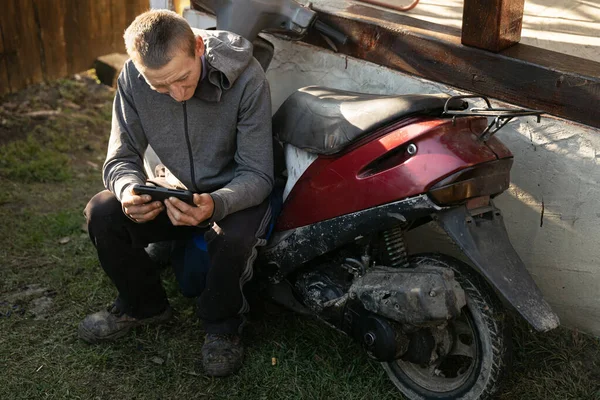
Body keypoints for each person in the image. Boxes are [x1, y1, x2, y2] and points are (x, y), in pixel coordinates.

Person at [79, 9, 274, 378]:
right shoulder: (133, 80)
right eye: (161, 88)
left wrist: (217, 203)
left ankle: (221, 329)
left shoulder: (248, 78)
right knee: (102, 211)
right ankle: (143, 306)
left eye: (183, 78)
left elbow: (259, 173)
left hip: (235, 193)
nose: (178, 94)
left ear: (199, 47)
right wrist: (126, 192)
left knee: (232, 238)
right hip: (175, 190)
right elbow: (119, 158)